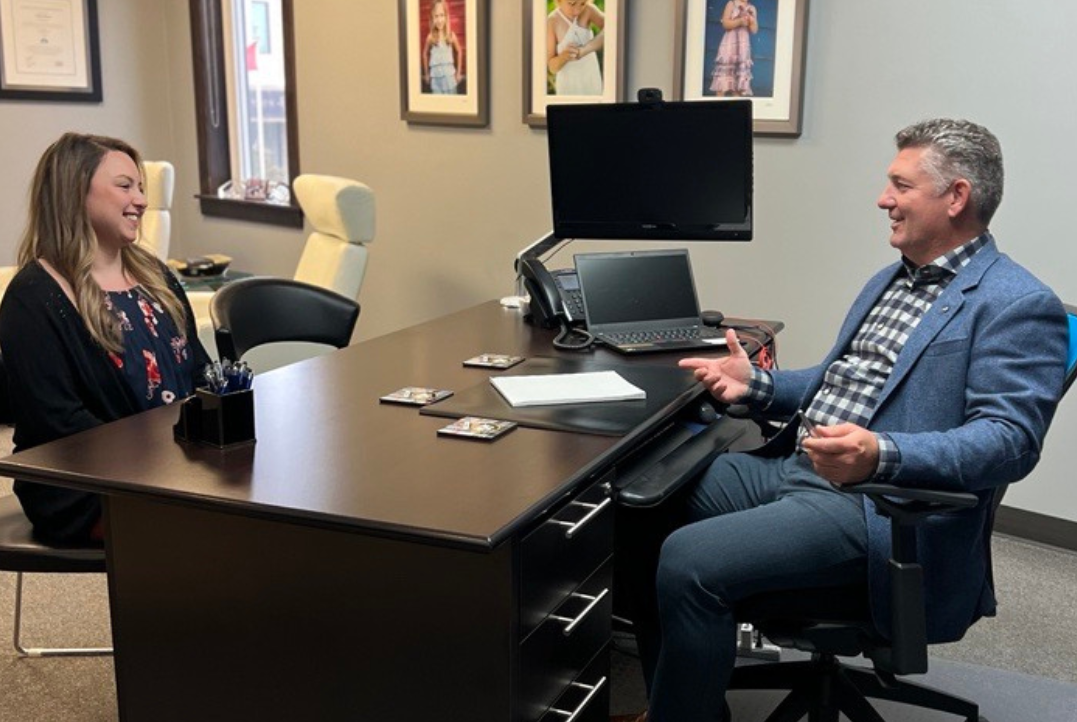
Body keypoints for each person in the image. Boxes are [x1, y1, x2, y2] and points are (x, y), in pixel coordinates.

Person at [621, 119, 1069, 722]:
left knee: (690, 561)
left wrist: (883, 453)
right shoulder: (893, 278)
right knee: (639, 512)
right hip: (796, 467)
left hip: (871, 504)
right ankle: (683, 704)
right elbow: (839, 381)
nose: (884, 200)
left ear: (956, 197)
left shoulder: (1015, 303)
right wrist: (757, 385)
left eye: (900, 186)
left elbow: (1009, 441)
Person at [0, 133, 210, 544]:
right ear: (76, 191)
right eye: (125, 186)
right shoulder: (33, 297)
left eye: (142, 187)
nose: (142, 201)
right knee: (219, 530)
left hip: (178, 466)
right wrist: (171, 462)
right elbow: (60, 422)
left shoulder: (155, 275)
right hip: (84, 487)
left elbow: (199, 369)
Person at [547, 0, 604, 96]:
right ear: (558, 1)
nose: (577, 11)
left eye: (582, 3)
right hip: (568, 88)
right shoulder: (552, 21)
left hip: (591, 82)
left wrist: (585, 50)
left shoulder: (588, 10)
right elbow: (552, 68)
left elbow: (613, 28)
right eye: (572, 3)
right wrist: (563, 57)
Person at [710, 0, 758, 97]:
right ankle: (719, 105)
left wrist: (752, 22)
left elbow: (754, 30)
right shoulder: (731, 4)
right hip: (729, 46)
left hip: (742, 49)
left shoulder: (752, 9)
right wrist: (739, 21)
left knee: (738, 84)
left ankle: (735, 106)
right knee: (723, 81)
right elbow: (725, 24)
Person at [422, 0, 463, 94]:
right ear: (432, 18)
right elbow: (424, 54)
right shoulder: (430, 38)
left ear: (446, 16)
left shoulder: (451, 36)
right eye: (436, 16)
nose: (439, 20)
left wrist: (458, 73)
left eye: (442, 15)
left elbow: (459, 51)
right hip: (436, 81)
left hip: (450, 80)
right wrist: (426, 74)